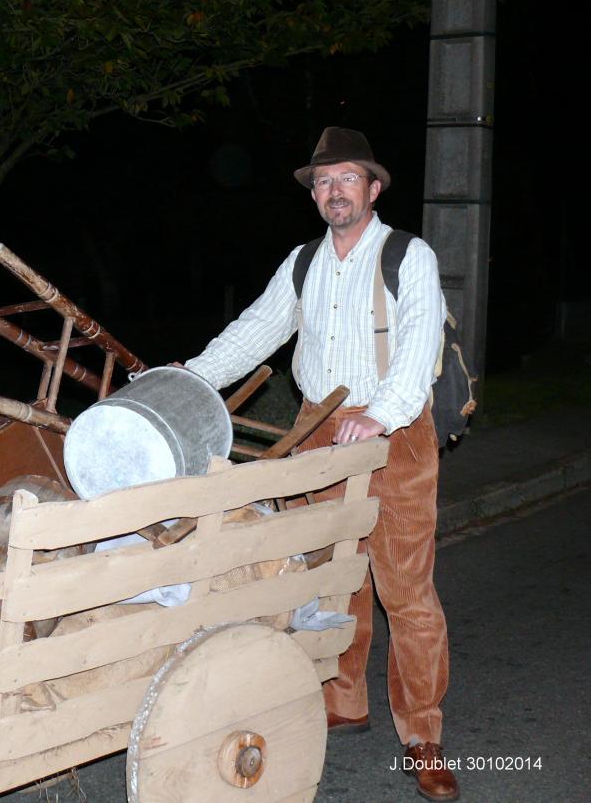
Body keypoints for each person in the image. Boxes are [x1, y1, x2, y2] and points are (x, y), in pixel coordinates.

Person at [181, 127, 457, 801]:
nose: (334, 191)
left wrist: (379, 415)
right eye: (323, 182)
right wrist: (188, 378)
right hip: (315, 430)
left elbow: (420, 346)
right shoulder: (304, 262)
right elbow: (256, 328)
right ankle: (345, 696)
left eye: (347, 179)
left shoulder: (406, 255)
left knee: (406, 590)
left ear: (374, 187)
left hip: (394, 434)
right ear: (315, 194)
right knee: (333, 579)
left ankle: (423, 735)